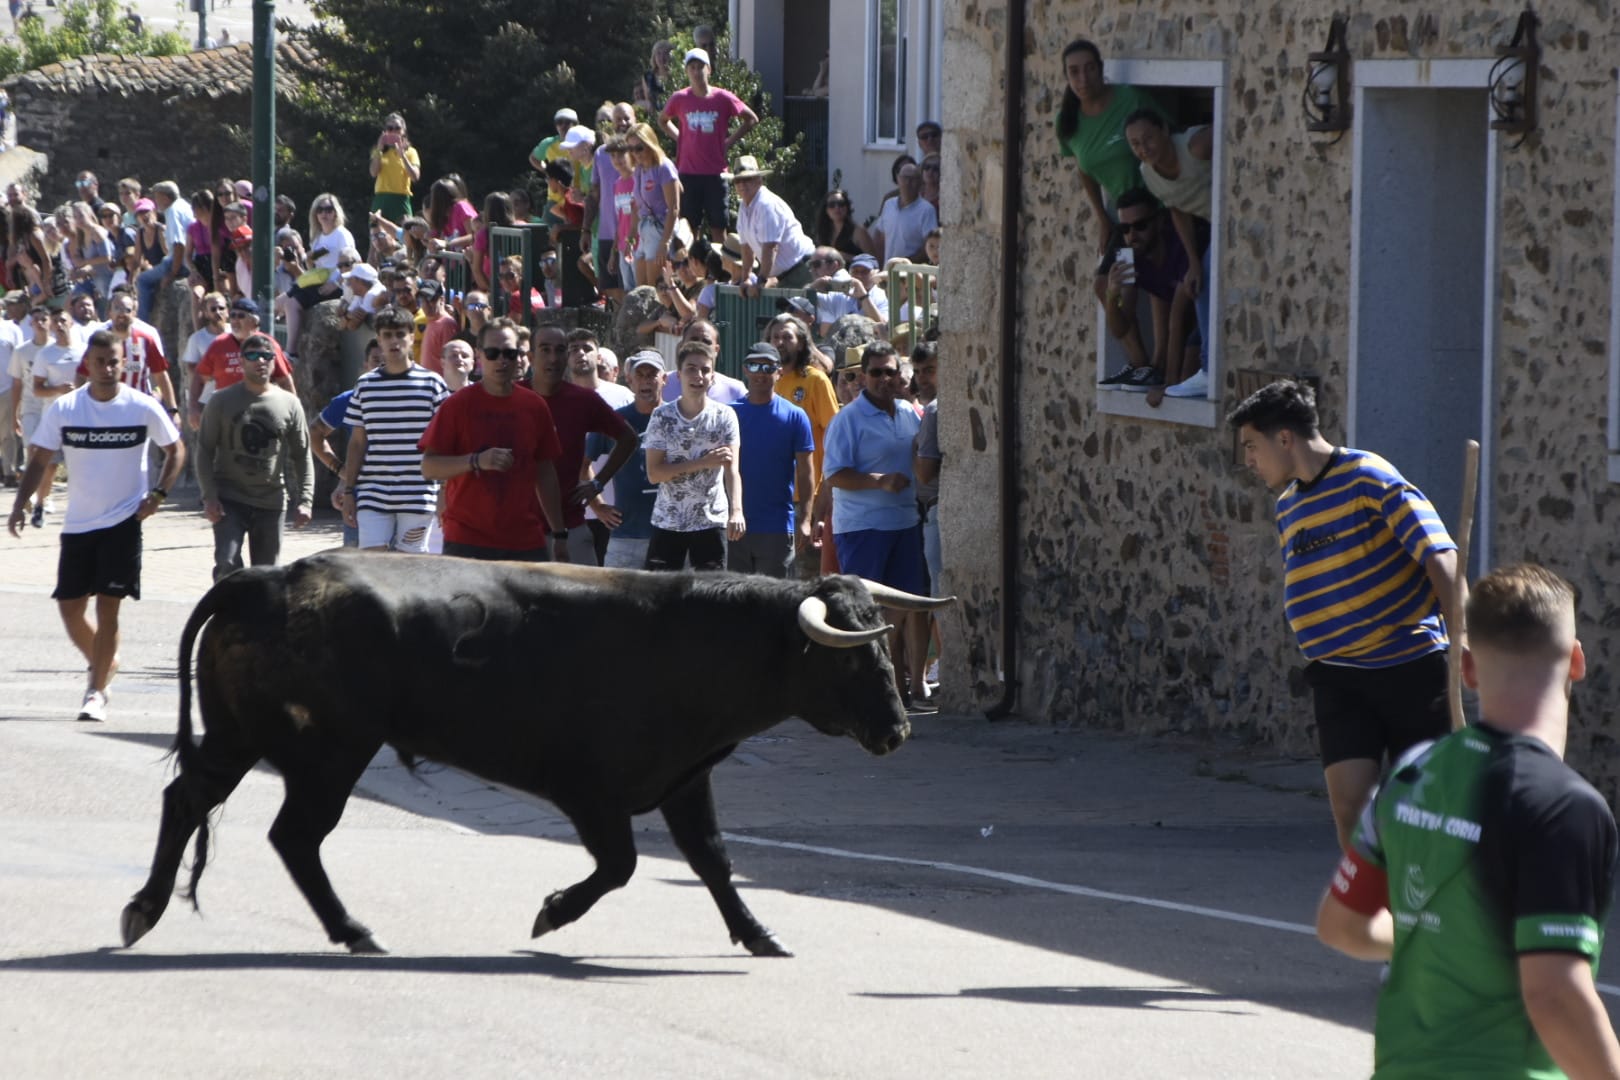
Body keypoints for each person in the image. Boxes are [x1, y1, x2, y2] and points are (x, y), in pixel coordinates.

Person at [1316, 563, 1620, 1080]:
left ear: (1468, 668)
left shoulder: (1414, 773)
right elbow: (1555, 996)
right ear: (1575, 662)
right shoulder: (1564, 806)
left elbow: (1341, 925)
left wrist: (1438, 931)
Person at [1229, 380, 1462, 853]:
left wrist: (1464, 637)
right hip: (1336, 676)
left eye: (1252, 446)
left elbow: (1441, 557)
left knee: (1426, 806)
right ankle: (1372, 913)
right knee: (1349, 806)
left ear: (1285, 438)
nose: (1248, 461)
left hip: (1408, 666)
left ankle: (1426, 912)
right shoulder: (1288, 505)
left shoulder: (1368, 477)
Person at [6, 331, 184, 723]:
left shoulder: (141, 406)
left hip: (123, 521)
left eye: (114, 361)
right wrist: (21, 505)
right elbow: (39, 459)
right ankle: (105, 661)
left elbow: (175, 449)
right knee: (70, 609)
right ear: (87, 363)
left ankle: (96, 690)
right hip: (78, 524)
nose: (107, 368)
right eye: (100, 361)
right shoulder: (66, 408)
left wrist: (158, 494)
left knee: (109, 609)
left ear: (125, 363)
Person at [822, 340, 930, 705]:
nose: (884, 378)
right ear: (863, 376)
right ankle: (865, 690)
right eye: (876, 372)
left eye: (890, 371)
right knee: (866, 613)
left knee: (901, 611)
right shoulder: (847, 419)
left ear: (900, 375)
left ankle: (897, 688)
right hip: (862, 529)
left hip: (904, 524)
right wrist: (878, 481)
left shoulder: (908, 413)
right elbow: (834, 474)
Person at [419, 318, 571, 562]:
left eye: (510, 353)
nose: (502, 360)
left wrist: (559, 534)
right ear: (479, 355)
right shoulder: (457, 405)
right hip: (467, 539)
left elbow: (545, 471)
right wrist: (476, 461)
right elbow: (429, 467)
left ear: (521, 356)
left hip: (525, 540)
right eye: (493, 353)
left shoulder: (534, 406)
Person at [195, 332, 313, 580]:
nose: (260, 361)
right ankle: (227, 615)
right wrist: (210, 496)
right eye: (252, 355)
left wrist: (305, 500)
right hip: (230, 498)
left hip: (270, 501)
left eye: (266, 356)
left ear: (274, 361)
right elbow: (204, 449)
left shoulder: (289, 403)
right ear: (241, 361)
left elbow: (302, 455)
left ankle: (258, 620)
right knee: (227, 564)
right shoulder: (221, 401)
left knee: (266, 575)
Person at [338, 306, 448, 552]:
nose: (394, 341)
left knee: (411, 568)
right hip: (372, 492)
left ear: (411, 337)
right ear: (379, 339)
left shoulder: (433, 383)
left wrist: (443, 490)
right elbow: (357, 442)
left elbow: (443, 442)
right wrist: (348, 490)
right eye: (387, 335)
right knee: (373, 568)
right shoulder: (365, 385)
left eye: (400, 334)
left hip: (419, 492)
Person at [528, 322, 639, 562]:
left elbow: (628, 438)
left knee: (589, 599)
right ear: (530, 356)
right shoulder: (515, 397)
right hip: (520, 528)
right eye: (545, 349)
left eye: (559, 350)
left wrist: (597, 484)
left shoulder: (583, 400)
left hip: (573, 526)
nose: (553, 357)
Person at [642, 338, 742, 571]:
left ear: (712, 376)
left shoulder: (725, 416)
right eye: (691, 369)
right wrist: (703, 462)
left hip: (710, 520)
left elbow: (732, 470)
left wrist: (737, 511)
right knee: (659, 598)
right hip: (669, 520)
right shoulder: (661, 416)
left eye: (705, 370)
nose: (698, 375)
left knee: (711, 598)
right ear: (679, 375)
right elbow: (655, 474)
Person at [1097, 189, 1198, 397]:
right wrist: (1112, 294)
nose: (1132, 236)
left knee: (1189, 370)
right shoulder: (1130, 257)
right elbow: (1120, 329)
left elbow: (1175, 322)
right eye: (1124, 228)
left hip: (1203, 317)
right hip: (1185, 318)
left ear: (1160, 222)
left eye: (1140, 226)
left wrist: (1167, 385)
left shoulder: (1178, 246)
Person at [729, 341, 812, 578]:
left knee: (776, 606)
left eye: (768, 367)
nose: (760, 373)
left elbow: (807, 472)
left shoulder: (795, 416)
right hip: (735, 526)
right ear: (745, 370)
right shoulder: (729, 413)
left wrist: (805, 519)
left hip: (777, 528)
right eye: (754, 366)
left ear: (779, 372)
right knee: (734, 603)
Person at [659, 47, 758, 245]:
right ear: (687, 71)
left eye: (700, 67)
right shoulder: (680, 98)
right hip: (688, 171)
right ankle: (691, 270)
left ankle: (720, 269)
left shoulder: (722, 98)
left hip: (715, 173)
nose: (696, 72)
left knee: (718, 226)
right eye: (692, 68)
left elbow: (751, 119)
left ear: (709, 70)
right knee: (688, 227)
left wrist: (729, 141)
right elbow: (663, 120)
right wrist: (679, 137)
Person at [590, 350, 664, 569]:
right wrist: (598, 506)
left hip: (672, 533)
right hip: (626, 534)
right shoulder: (615, 420)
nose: (646, 381)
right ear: (629, 380)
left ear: (665, 379)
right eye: (639, 375)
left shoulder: (678, 416)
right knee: (618, 603)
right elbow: (582, 465)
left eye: (652, 374)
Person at [311, 338, 381, 547]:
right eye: (376, 360)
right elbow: (315, 432)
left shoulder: (413, 397)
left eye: (387, 360)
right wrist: (342, 472)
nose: (382, 366)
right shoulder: (350, 399)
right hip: (360, 500)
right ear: (365, 366)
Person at [187, 299, 293, 432]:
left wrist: (292, 412)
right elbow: (199, 377)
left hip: (260, 414)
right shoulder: (218, 344)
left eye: (241, 316)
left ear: (254, 321)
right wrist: (193, 408)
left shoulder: (268, 345)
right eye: (233, 316)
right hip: (226, 413)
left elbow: (285, 380)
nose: (235, 320)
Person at [730, 155, 816, 290]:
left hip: (802, 269)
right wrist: (745, 278)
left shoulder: (766, 204)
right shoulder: (744, 206)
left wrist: (761, 281)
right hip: (785, 274)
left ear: (759, 180)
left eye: (747, 179)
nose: (742, 184)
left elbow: (770, 247)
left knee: (804, 311)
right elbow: (746, 247)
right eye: (738, 180)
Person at [626, 122, 682, 288]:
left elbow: (674, 208)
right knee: (641, 288)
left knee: (655, 287)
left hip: (661, 228)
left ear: (650, 143)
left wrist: (665, 242)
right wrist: (631, 236)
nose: (635, 153)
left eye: (639, 148)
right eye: (631, 149)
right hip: (645, 229)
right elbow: (637, 205)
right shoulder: (639, 169)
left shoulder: (664, 167)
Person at [870, 161, 938, 265]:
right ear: (898, 179)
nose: (908, 182)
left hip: (912, 274)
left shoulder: (926, 210)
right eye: (905, 178)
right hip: (887, 272)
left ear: (920, 182)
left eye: (912, 179)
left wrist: (903, 265)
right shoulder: (889, 205)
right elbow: (879, 238)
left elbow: (929, 245)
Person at [369, 112, 422, 220]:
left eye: (397, 128)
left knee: (405, 234)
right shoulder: (378, 151)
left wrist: (403, 156)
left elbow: (415, 177)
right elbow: (373, 172)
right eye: (390, 128)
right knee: (378, 234)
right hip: (382, 199)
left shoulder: (411, 152)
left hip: (401, 200)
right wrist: (379, 149)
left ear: (403, 131)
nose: (394, 131)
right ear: (385, 131)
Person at [813, 189, 871, 260]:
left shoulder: (858, 231)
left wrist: (844, 256)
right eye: (832, 205)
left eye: (841, 204)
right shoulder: (824, 232)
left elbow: (873, 261)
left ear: (847, 207)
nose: (837, 208)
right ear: (826, 210)